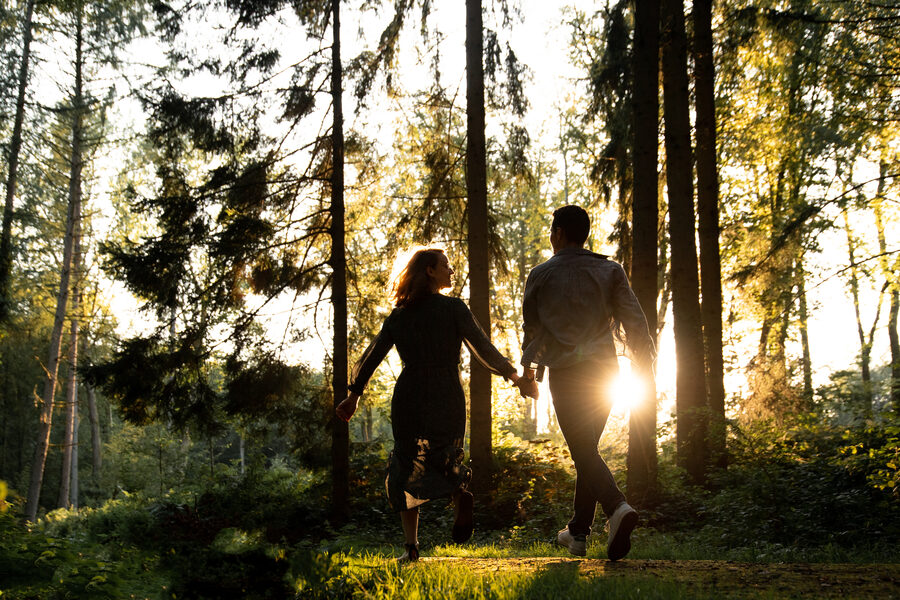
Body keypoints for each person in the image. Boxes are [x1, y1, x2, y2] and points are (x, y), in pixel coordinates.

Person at [336, 248, 532, 563]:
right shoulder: (453, 309)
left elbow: (373, 355)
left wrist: (354, 395)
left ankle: (411, 547)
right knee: (446, 454)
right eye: (446, 265)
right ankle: (458, 494)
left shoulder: (400, 315)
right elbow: (482, 346)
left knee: (407, 464)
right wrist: (514, 376)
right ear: (429, 270)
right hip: (446, 392)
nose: (451, 271)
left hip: (410, 394)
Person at [516, 205, 655, 561]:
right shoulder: (610, 270)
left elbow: (532, 330)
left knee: (582, 449)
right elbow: (635, 319)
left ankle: (617, 507)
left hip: (567, 373)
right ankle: (578, 532)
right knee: (586, 448)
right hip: (606, 373)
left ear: (559, 233)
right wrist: (646, 365)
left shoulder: (540, 275)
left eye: (552, 230)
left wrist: (528, 374)